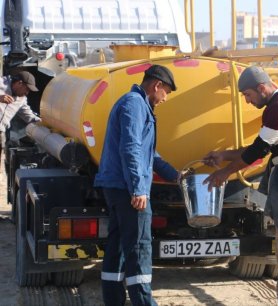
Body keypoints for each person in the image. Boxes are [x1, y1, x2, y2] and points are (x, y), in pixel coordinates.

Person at [203, 66, 278, 306]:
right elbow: (260, 148)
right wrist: (224, 156)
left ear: (262, 88)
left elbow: (258, 151)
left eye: (248, 95)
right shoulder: (276, 106)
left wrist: (224, 173)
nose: (247, 101)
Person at [94, 64, 180, 306]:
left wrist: (176, 175)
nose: (165, 99)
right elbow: (130, 148)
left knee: (118, 246)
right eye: (167, 93)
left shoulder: (137, 104)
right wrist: (138, 189)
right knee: (139, 247)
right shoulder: (134, 104)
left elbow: (149, 153)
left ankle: (113, 300)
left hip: (118, 187)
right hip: (127, 189)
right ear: (157, 86)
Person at [0, 71, 41, 158]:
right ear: (19, 83)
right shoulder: (1, 83)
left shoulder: (22, 99)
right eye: (27, 89)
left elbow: (28, 115)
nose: (27, 93)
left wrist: (42, 122)